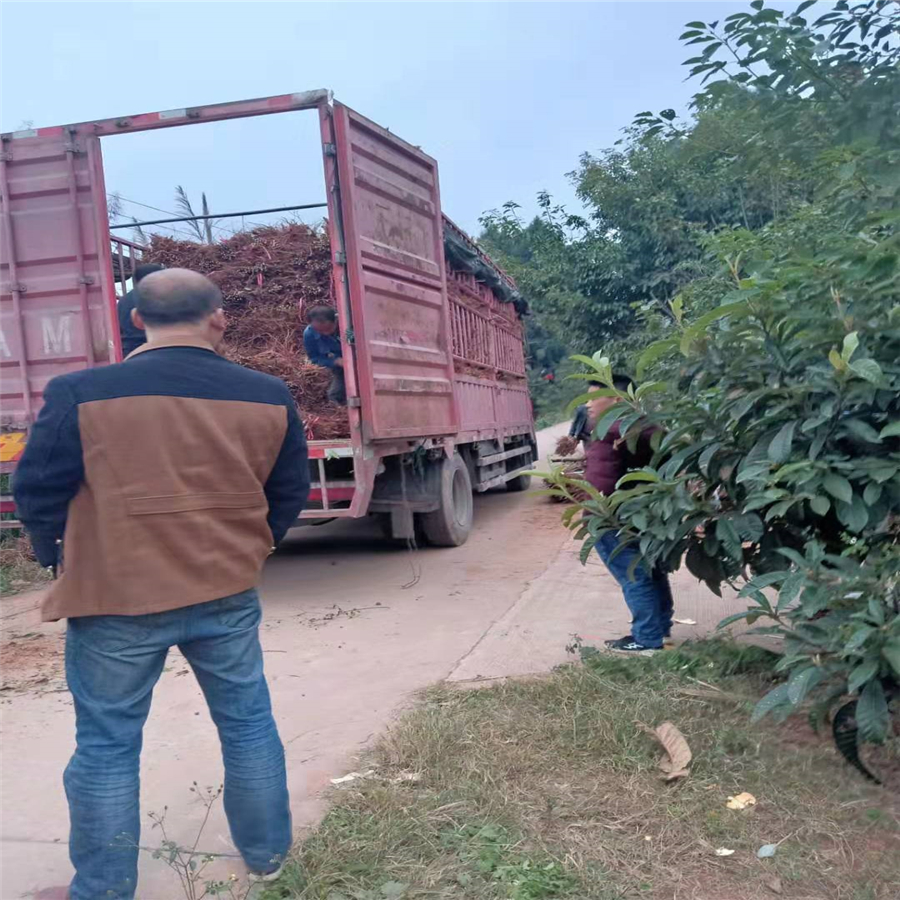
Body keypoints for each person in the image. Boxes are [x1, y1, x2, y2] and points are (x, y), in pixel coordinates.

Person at [14, 268, 310, 899]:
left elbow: (37, 486)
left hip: (115, 596)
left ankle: (103, 887)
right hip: (226, 591)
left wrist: (55, 555)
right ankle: (267, 857)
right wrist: (252, 547)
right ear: (220, 318)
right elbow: (287, 493)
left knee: (107, 743)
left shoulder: (79, 392)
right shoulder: (268, 395)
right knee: (248, 723)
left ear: (137, 320)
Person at [583, 374, 673, 655]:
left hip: (610, 516)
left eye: (593, 398)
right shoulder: (639, 427)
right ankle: (659, 629)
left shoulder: (618, 429)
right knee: (651, 572)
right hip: (637, 513)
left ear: (618, 400)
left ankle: (647, 639)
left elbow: (602, 480)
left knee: (633, 575)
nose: (587, 404)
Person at [116, 261, 164, 357]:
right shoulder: (163, 296)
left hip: (129, 352)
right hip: (158, 349)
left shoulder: (124, 300)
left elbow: (119, 328)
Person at [303, 306, 346, 405]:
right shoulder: (309, 334)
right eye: (320, 331)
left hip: (361, 358)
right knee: (335, 395)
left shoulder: (348, 323)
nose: (326, 333)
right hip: (340, 367)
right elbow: (314, 357)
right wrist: (335, 361)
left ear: (335, 320)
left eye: (329, 329)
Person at [569, 380, 603, 447]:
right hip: (587, 440)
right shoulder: (582, 409)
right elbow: (575, 422)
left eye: (594, 399)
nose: (589, 404)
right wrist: (571, 435)